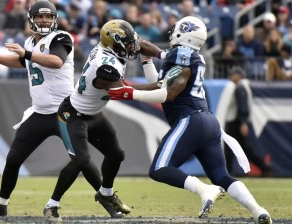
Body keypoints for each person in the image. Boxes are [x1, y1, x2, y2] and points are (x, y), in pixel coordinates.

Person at [108, 16, 272, 224]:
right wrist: (147, 58)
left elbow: (169, 93)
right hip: (208, 122)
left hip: (190, 119)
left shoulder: (181, 54)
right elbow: (160, 82)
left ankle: (205, 190)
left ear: (184, 32)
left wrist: (130, 92)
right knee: (222, 176)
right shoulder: (188, 55)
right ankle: (258, 210)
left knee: (159, 169)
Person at [0, 0, 102, 218]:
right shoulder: (30, 42)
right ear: (31, 19)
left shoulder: (61, 38)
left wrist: (26, 54)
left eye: (48, 17)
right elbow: (23, 62)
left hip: (64, 112)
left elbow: (56, 61)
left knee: (81, 160)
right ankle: (0, 205)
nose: (44, 20)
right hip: (40, 112)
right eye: (40, 17)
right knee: (13, 159)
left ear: (54, 19)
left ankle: (106, 197)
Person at [45, 19, 142, 222]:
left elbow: (142, 45)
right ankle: (51, 205)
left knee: (116, 155)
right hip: (73, 115)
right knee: (80, 160)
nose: (133, 47)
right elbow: (127, 91)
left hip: (94, 115)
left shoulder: (109, 48)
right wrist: (160, 88)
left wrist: (160, 54)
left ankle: (105, 194)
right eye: (129, 43)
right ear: (115, 43)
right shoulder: (105, 67)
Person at [225, 68, 272, 176]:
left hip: (236, 122)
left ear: (239, 75)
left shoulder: (240, 87)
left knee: (231, 147)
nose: (231, 77)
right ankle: (264, 167)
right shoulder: (244, 86)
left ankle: (227, 171)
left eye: (233, 74)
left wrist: (243, 122)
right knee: (242, 148)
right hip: (238, 121)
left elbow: (242, 106)